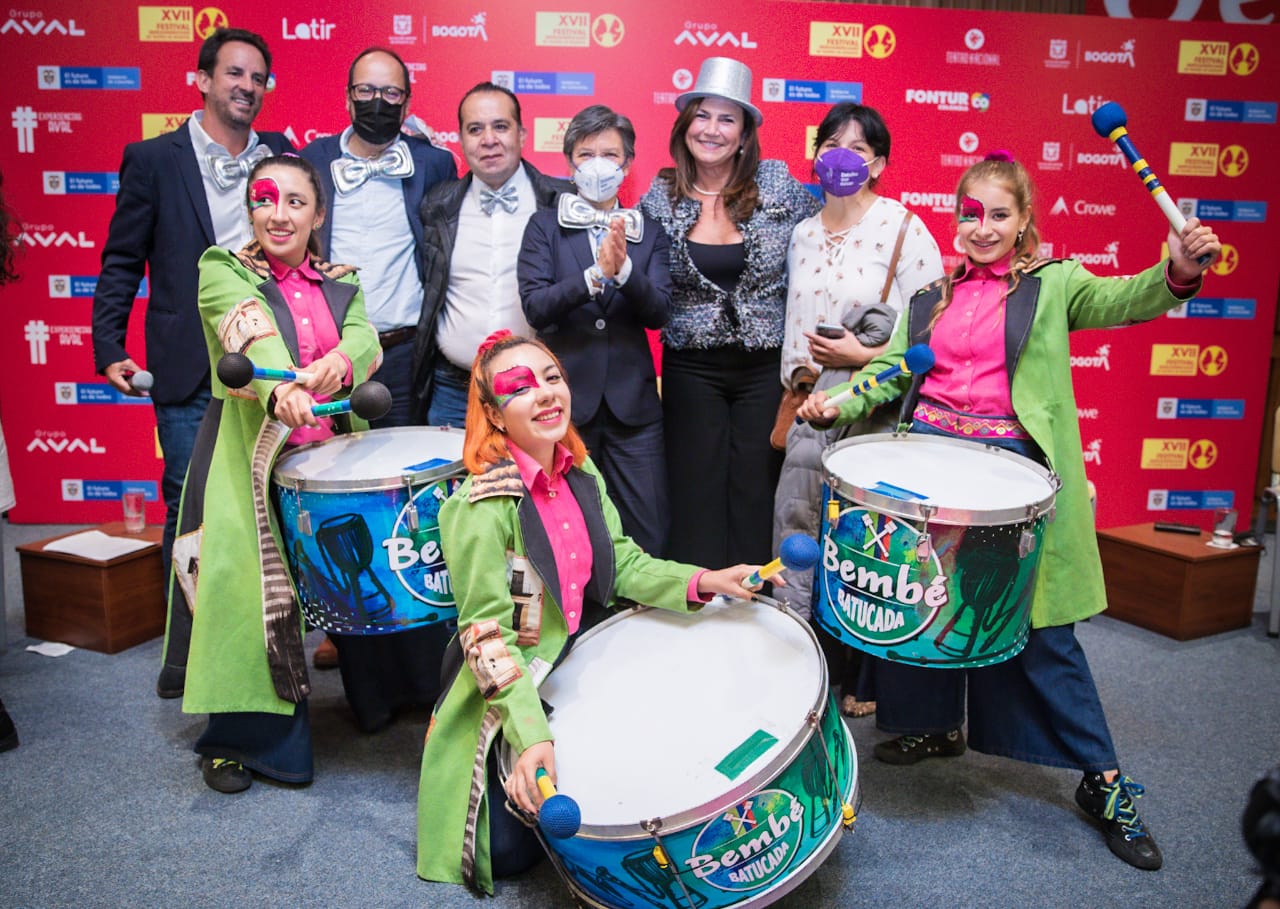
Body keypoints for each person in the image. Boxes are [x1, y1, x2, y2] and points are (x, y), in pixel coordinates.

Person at [797, 151, 1222, 870]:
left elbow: (1130, 299)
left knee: (1044, 634)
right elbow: (893, 368)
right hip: (927, 472)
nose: (983, 227)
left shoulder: (1055, 286)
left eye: (999, 215)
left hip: (1014, 484)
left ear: (1025, 222)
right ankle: (934, 725)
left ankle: (1105, 783)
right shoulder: (931, 295)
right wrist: (838, 398)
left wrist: (1178, 271)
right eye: (971, 213)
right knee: (923, 602)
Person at [415, 331, 768, 892]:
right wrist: (530, 736)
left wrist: (702, 579)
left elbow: (623, 564)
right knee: (506, 854)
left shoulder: (581, 474)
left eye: (552, 377)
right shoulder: (479, 507)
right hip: (508, 680)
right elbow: (487, 638)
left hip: (571, 657)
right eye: (521, 386)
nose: (546, 393)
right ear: (494, 415)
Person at [90, 28, 293, 700]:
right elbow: (123, 258)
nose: (247, 86)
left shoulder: (281, 161)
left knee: (270, 507)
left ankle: (270, 648)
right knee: (192, 509)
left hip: (269, 369)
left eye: (258, 78)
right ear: (202, 80)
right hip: (186, 366)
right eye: (234, 73)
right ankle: (192, 657)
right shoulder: (152, 159)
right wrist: (109, 342)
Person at [176, 154, 382, 793]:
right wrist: (281, 390)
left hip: (334, 453)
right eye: (266, 200)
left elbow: (366, 336)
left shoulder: (341, 278)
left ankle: (386, 697)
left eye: (296, 202)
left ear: (318, 215)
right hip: (254, 452)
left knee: (366, 567)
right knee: (250, 591)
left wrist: (341, 364)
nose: (279, 214)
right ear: (250, 208)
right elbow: (250, 331)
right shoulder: (224, 268)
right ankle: (242, 742)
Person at [772, 103, 943, 718]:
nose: (842, 156)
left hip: (871, 403)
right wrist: (798, 381)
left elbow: (929, 322)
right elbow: (793, 323)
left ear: (880, 163)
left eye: (858, 147)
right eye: (831, 143)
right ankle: (801, 665)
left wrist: (862, 351)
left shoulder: (903, 227)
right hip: (809, 404)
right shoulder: (802, 231)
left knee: (864, 542)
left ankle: (864, 677)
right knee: (798, 531)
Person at [299, 47, 456, 688]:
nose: (379, 103)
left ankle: (406, 622)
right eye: (367, 91)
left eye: (392, 94)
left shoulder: (433, 163)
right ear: (346, 96)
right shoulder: (308, 162)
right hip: (325, 356)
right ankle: (342, 626)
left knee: (399, 492)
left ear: (409, 102)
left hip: (403, 350)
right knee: (330, 487)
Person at [639, 57, 820, 568]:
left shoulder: (777, 185)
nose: (712, 129)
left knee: (754, 487)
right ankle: (699, 596)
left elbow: (822, 241)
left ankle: (754, 596)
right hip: (691, 367)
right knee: (693, 485)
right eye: (702, 116)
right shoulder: (660, 195)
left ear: (744, 135)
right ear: (685, 126)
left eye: (727, 119)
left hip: (764, 367)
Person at [517, 104, 673, 555]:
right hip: (563, 407)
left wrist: (623, 270)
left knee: (648, 529)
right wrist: (594, 276)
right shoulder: (543, 227)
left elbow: (659, 312)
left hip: (634, 409)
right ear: (569, 163)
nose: (599, 164)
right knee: (568, 530)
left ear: (626, 164)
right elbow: (536, 308)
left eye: (611, 154)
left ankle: (640, 618)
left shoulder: (650, 232)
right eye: (586, 154)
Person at [411, 82, 572, 428]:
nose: (488, 139)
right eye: (475, 129)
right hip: (456, 390)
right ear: (460, 138)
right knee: (454, 483)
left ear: (522, 134)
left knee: (535, 482)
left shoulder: (561, 203)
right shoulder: (437, 205)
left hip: (537, 390)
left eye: (500, 126)